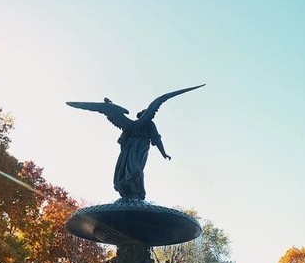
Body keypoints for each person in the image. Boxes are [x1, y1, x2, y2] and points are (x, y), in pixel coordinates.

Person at [67, 85, 204, 200]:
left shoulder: (136, 125)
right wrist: (163, 153)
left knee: (133, 169)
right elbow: (156, 138)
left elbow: (156, 139)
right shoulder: (146, 124)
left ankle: (135, 190)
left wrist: (164, 153)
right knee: (133, 169)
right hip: (138, 146)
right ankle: (132, 189)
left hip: (136, 147)